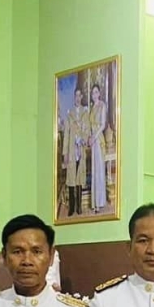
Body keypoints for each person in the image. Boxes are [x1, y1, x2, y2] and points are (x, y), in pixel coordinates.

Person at [62, 87, 88, 217]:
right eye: (75, 96)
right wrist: (65, 153)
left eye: (79, 95)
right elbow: (66, 134)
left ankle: (79, 206)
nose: (77, 98)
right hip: (72, 151)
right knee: (71, 178)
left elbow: (87, 130)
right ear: (74, 97)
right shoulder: (70, 114)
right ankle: (71, 207)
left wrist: (82, 139)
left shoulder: (85, 113)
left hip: (80, 149)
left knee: (79, 177)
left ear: (81, 97)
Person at [88, 83, 108, 212]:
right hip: (93, 140)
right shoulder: (92, 108)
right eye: (92, 92)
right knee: (94, 170)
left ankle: (100, 202)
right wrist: (89, 137)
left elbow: (103, 125)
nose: (94, 94)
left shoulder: (102, 105)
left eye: (96, 92)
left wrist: (94, 137)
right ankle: (94, 202)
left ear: (99, 93)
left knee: (99, 170)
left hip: (99, 139)